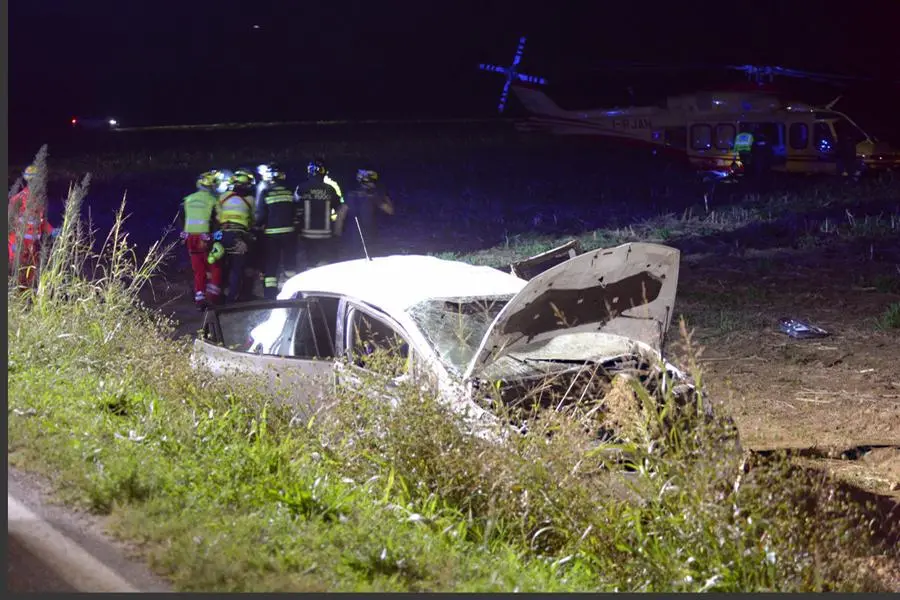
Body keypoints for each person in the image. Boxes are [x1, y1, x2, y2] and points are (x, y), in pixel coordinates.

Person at [8, 164, 57, 289]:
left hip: (33, 246)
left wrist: (52, 231)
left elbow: (41, 222)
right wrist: (12, 243)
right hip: (19, 245)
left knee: (31, 275)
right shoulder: (17, 199)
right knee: (18, 276)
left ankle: (29, 300)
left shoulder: (39, 201)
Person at [179, 170, 222, 308]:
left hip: (190, 239)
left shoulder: (188, 199)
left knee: (199, 270)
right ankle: (212, 297)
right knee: (215, 267)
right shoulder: (213, 200)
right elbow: (219, 220)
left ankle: (199, 298)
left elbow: (182, 218)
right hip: (205, 238)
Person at [212, 169, 256, 303]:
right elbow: (252, 220)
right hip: (239, 236)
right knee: (237, 269)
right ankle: (232, 299)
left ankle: (216, 296)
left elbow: (218, 217)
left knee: (220, 266)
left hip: (222, 235)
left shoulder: (223, 197)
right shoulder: (250, 200)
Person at [254, 164, 297, 299]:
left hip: (271, 235)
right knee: (290, 265)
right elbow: (295, 211)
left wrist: (258, 226)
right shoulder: (289, 191)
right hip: (289, 233)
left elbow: (260, 215)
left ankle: (270, 295)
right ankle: (294, 293)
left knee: (271, 265)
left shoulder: (266, 192)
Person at [294, 159, 343, 269]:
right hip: (326, 233)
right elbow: (340, 209)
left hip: (307, 233)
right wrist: (337, 230)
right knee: (326, 264)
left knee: (310, 264)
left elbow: (295, 207)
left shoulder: (301, 188)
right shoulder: (330, 189)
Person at [339, 168, 395, 259]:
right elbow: (390, 210)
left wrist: (338, 236)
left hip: (352, 240)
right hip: (371, 238)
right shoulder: (374, 195)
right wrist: (385, 196)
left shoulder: (350, 195)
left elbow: (340, 215)